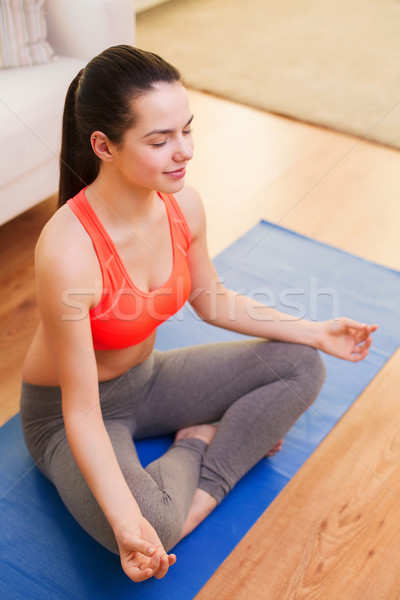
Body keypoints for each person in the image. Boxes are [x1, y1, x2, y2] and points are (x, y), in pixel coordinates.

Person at [20, 45, 377, 583]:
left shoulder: (183, 204)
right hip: (68, 414)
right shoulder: (68, 250)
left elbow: (211, 298)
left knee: (302, 365)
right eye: (160, 140)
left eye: (187, 129)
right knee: (152, 527)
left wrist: (315, 331)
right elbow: (83, 412)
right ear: (103, 146)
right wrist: (127, 526)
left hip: (147, 378)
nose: (183, 151)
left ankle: (199, 478)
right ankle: (200, 443)